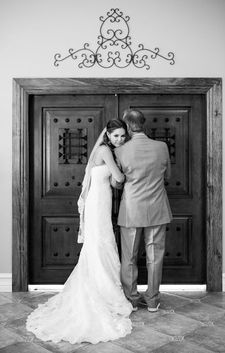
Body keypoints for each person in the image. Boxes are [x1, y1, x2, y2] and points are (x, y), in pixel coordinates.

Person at [26, 119, 133, 344]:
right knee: (100, 242)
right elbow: (119, 178)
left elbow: (113, 181)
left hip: (99, 201)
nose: (120, 140)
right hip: (98, 203)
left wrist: (116, 178)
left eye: (123, 136)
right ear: (108, 135)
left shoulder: (106, 150)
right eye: (116, 136)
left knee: (100, 243)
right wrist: (122, 172)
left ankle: (101, 287)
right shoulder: (105, 150)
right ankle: (103, 292)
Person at [114, 109, 172, 312]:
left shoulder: (120, 151)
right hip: (157, 208)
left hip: (131, 210)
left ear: (128, 127)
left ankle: (131, 299)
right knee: (155, 256)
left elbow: (117, 183)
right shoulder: (162, 147)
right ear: (143, 124)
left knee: (128, 257)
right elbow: (168, 177)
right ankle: (153, 301)